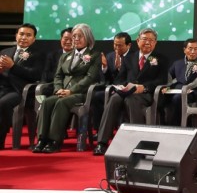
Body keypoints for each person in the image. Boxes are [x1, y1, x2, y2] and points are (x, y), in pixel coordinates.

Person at [93, 28, 169, 155]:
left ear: (155, 43)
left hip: (146, 94)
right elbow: (120, 78)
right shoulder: (129, 58)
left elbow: (161, 80)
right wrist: (123, 86)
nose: (147, 42)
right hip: (127, 91)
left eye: (151, 40)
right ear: (138, 41)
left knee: (131, 100)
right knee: (114, 99)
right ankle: (102, 143)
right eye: (144, 39)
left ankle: (137, 143)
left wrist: (144, 87)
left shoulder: (161, 59)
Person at [33, 23, 102, 153]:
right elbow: (58, 76)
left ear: (88, 38)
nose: (76, 39)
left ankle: (55, 141)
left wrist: (71, 91)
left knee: (61, 102)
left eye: (80, 36)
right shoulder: (65, 55)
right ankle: (42, 139)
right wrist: (58, 89)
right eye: (74, 36)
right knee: (47, 102)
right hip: (63, 91)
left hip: (81, 93)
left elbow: (89, 78)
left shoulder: (94, 55)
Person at [0, 23, 45, 149]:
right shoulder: (5, 51)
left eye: (28, 35)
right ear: (16, 36)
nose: (24, 37)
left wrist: (13, 66)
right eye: (21, 34)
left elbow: (35, 75)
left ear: (34, 39)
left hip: (20, 91)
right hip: (3, 87)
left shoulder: (38, 54)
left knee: (3, 103)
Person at [162, 39, 197, 126]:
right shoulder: (177, 63)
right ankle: (161, 124)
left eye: (195, 49)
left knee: (177, 98)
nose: (193, 52)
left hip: (194, 92)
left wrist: (191, 88)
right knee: (161, 96)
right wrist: (165, 87)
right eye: (190, 48)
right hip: (177, 90)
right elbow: (167, 78)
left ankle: (177, 125)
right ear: (184, 50)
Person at [91, 32, 132, 134]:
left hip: (126, 89)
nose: (116, 48)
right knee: (96, 96)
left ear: (128, 45)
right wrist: (105, 67)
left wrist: (119, 68)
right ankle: (99, 130)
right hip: (111, 88)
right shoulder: (110, 56)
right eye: (115, 44)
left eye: (120, 45)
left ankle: (121, 131)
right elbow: (107, 78)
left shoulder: (133, 57)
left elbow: (132, 77)